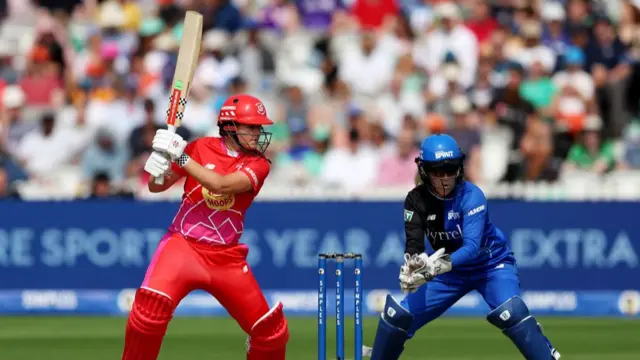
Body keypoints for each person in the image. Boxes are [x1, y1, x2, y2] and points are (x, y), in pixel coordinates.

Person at [364, 134, 561, 360]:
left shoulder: (472, 196)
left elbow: (471, 248)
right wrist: (415, 263)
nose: (445, 178)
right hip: (449, 274)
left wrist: (433, 269)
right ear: (425, 170)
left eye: (450, 169)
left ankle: (543, 350)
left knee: (511, 312)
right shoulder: (416, 200)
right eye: (438, 170)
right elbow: (414, 243)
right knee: (397, 316)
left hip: (490, 265)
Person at [122, 94, 289, 360]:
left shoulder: (258, 164)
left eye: (260, 127)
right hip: (183, 245)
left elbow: (220, 185)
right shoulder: (200, 147)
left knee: (270, 333)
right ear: (230, 126)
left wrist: (180, 158)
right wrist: (158, 167)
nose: (258, 133)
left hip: (225, 257)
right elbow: (157, 186)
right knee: (148, 315)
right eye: (252, 127)